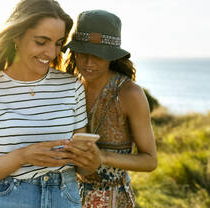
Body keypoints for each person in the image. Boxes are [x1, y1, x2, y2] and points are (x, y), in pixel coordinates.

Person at [0, 0, 92, 208]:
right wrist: (23, 156)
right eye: (41, 42)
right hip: (8, 198)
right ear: (16, 37)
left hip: (64, 197)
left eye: (58, 44)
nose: (51, 53)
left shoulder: (72, 86)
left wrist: (89, 160)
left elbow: (84, 166)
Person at [63, 10, 158, 208]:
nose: (89, 63)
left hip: (113, 200)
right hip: (66, 197)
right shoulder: (70, 87)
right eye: (83, 53)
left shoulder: (129, 93)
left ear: (112, 56)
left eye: (98, 55)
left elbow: (150, 160)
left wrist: (103, 157)